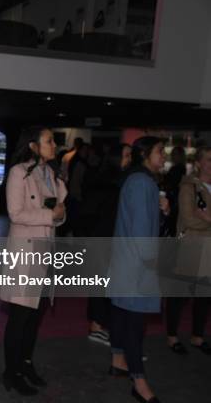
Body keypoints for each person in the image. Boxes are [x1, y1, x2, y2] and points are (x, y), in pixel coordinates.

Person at [1, 127, 67, 396]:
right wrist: (50, 216)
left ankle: (25, 364)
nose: (54, 145)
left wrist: (58, 215)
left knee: (34, 317)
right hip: (26, 255)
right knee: (20, 318)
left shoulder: (50, 174)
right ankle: (11, 371)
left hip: (46, 253)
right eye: (49, 141)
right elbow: (15, 213)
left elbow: (59, 213)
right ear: (33, 145)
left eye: (53, 141)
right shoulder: (19, 173)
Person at [109, 136, 169, 403]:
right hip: (137, 266)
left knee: (123, 315)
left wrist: (163, 211)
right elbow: (143, 232)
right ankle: (139, 381)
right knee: (135, 324)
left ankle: (118, 360)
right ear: (145, 154)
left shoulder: (135, 180)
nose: (164, 157)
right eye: (160, 152)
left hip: (126, 262)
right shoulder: (143, 182)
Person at [81, 143, 131, 345]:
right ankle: (96, 326)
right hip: (103, 238)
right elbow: (95, 213)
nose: (129, 159)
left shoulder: (109, 180)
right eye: (126, 155)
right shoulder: (111, 182)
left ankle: (98, 325)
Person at [167, 146, 211, 355]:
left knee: (205, 296)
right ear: (199, 162)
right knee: (180, 295)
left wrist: (206, 218)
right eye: (209, 159)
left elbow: (199, 218)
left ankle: (198, 336)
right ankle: (172, 335)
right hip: (191, 247)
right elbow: (188, 218)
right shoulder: (189, 186)